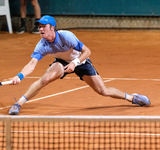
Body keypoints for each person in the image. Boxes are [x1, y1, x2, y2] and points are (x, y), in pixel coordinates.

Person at [9, 15, 151, 115]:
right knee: (45, 79)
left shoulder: (67, 36)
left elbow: (87, 51)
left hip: (80, 60)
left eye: (43, 26)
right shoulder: (42, 44)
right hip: (62, 63)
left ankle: (133, 98)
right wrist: (19, 76)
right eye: (39, 27)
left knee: (103, 91)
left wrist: (75, 63)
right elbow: (32, 64)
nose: (40, 29)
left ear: (52, 28)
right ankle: (18, 103)